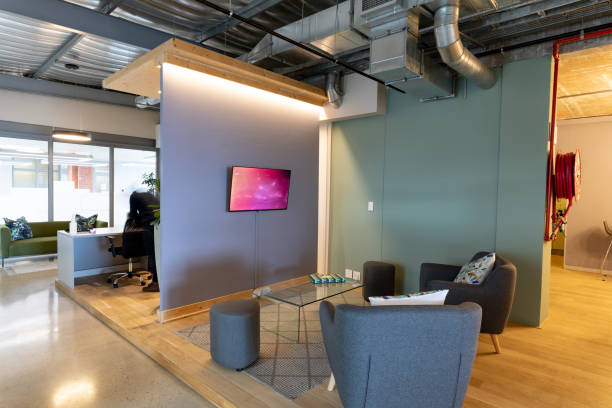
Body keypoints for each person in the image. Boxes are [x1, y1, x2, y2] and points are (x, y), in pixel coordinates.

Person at [129, 191, 160, 292]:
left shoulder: (134, 196)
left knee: (152, 254)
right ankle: (159, 280)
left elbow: (133, 215)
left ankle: (155, 284)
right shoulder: (149, 194)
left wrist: (133, 220)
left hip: (149, 225)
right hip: (160, 223)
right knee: (158, 254)